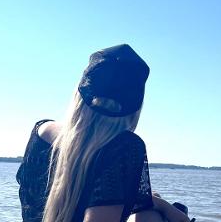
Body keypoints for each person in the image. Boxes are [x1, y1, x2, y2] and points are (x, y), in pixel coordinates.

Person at [16, 44, 191, 222]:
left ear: (80, 90)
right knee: (149, 217)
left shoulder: (42, 130)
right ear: (135, 108)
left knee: (149, 207)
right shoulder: (123, 146)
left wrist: (155, 202)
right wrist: (165, 209)